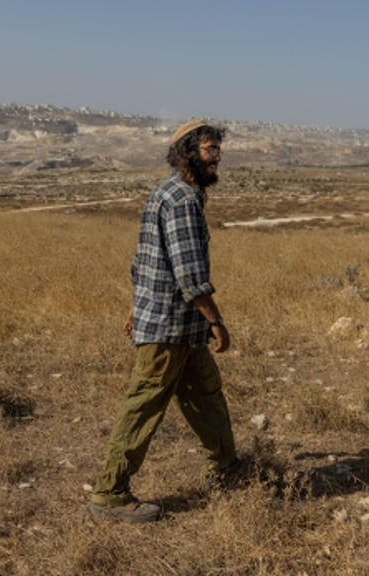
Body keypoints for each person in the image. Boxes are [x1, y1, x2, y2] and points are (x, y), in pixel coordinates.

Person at [87, 119, 241, 523]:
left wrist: (137, 307)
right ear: (188, 153)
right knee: (143, 406)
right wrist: (218, 321)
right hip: (172, 326)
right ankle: (109, 493)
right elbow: (190, 275)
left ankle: (227, 470)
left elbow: (144, 262)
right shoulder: (182, 200)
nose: (217, 158)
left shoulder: (171, 194)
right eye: (210, 150)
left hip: (182, 328)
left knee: (206, 396)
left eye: (217, 150)